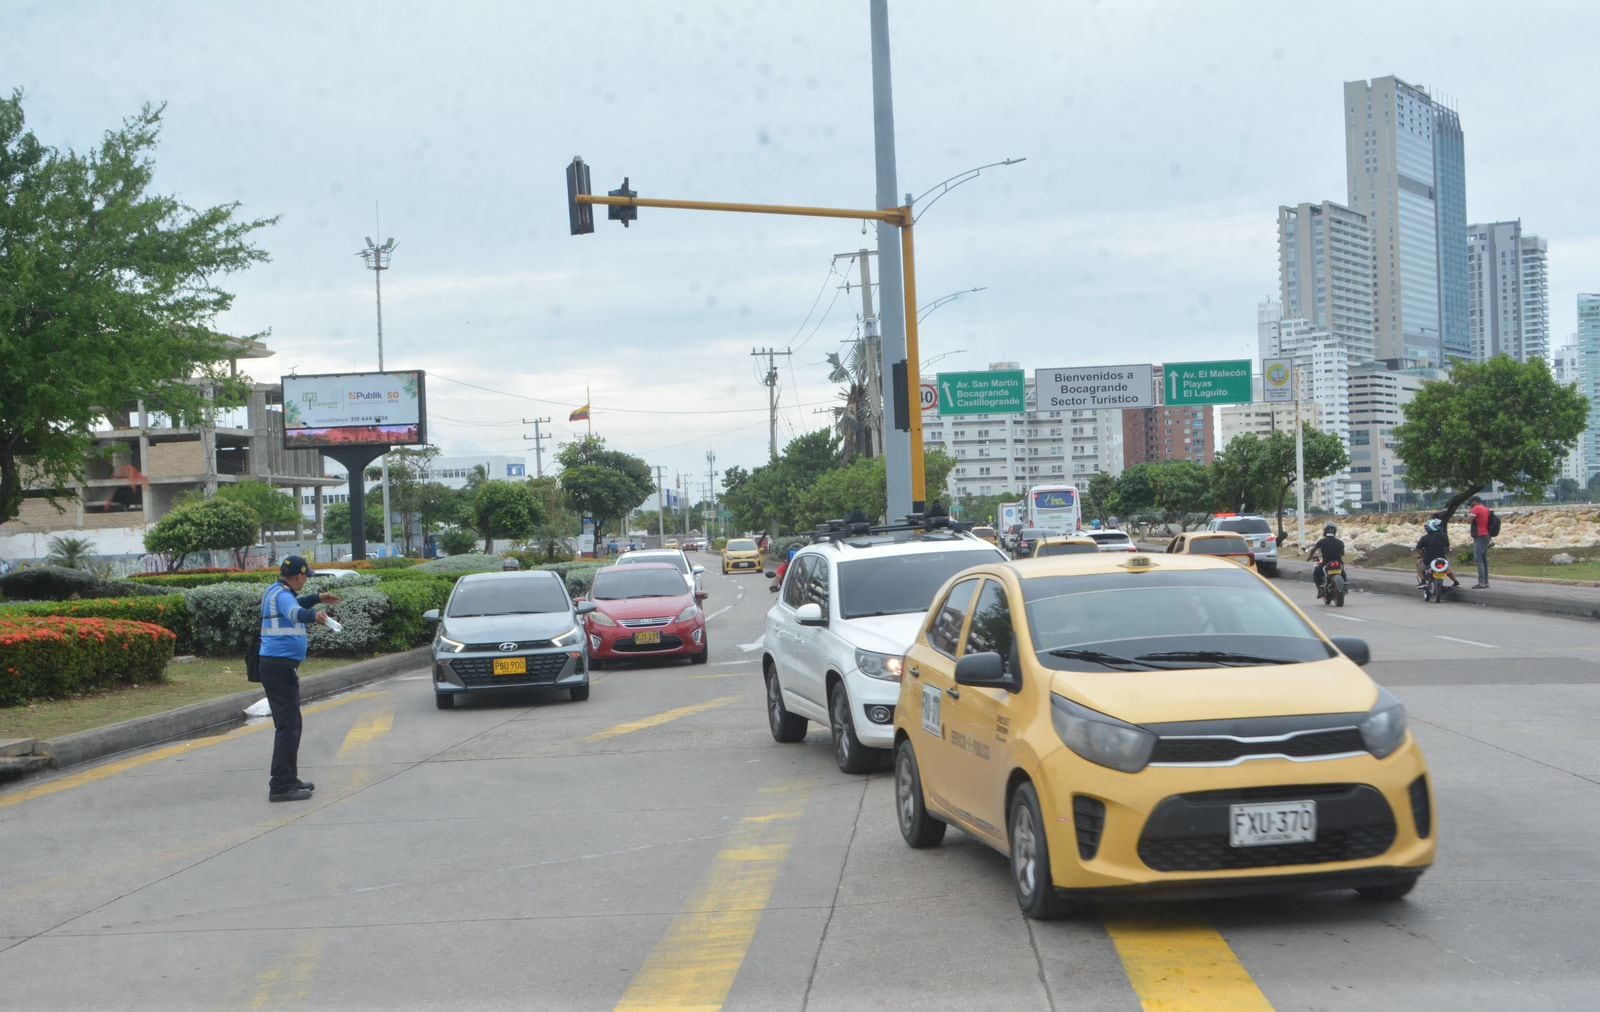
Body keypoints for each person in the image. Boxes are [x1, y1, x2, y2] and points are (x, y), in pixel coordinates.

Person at [258, 556, 339, 803]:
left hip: (278, 666)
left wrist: (317, 598)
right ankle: (281, 786)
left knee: (292, 725)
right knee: (288, 727)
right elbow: (293, 612)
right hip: (278, 667)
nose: (306, 582)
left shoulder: (279, 591)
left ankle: (289, 779)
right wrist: (315, 616)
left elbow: (293, 604)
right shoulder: (283, 595)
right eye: (306, 577)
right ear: (299, 576)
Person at [1413, 518, 1459, 590]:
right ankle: (1455, 582)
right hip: (1441, 559)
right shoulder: (1444, 536)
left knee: (1418, 563)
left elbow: (1418, 549)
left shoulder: (1424, 538)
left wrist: (1422, 556)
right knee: (1446, 569)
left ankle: (1423, 582)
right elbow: (1447, 547)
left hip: (1428, 561)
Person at [1306, 523, 1345, 592]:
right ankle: (1345, 587)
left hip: (1326, 563)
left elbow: (1313, 549)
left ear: (1325, 532)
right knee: (1343, 573)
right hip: (1338, 563)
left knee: (1316, 573)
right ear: (1335, 532)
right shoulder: (1340, 542)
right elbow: (1342, 553)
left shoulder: (1322, 541)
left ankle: (1320, 590)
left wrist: (1310, 557)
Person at [1467, 495, 1492, 588]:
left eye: (1471, 503)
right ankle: (1486, 582)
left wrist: (1470, 511)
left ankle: (1481, 582)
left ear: (1475, 501)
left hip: (1480, 535)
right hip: (1486, 535)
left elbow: (1469, 520)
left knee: (1478, 559)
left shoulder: (1476, 508)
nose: (1471, 505)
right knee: (1484, 560)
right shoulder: (1485, 508)